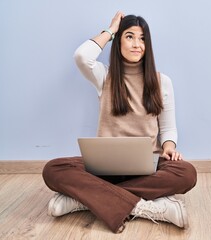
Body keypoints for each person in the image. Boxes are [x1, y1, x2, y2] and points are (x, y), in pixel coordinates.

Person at [42, 11, 197, 234]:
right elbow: (81, 57)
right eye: (130, 36)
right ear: (119, 41)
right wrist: (111, 30)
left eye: (142, 38)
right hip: (104, 168)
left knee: (187, 173)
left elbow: (168, 128)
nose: (137, 44)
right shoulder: (104, 77)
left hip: (149, 166)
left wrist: (169, 148)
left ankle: (84, 201)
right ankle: (147, 207)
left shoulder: (162, 82)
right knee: (53, 169)